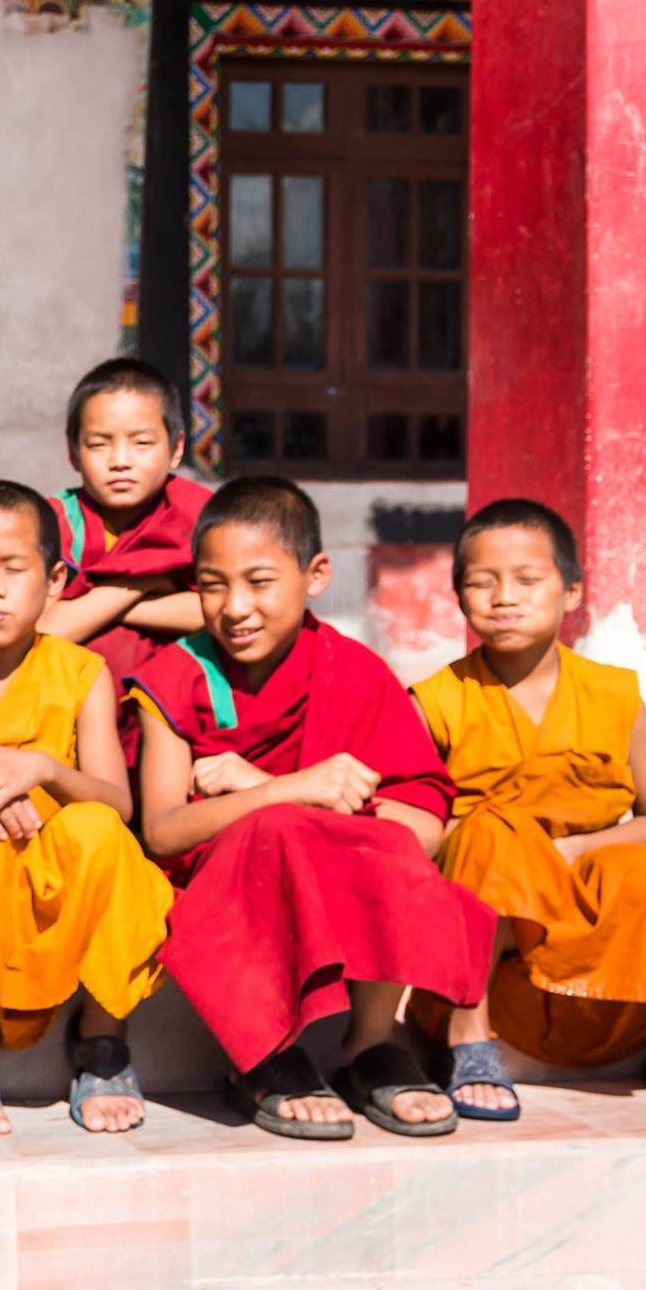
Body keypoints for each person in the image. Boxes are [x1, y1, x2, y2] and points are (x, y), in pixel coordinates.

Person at [129, 477, 496, 1140]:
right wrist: (283, 789)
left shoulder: (355, 671)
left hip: (328, 869)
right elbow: (160, 831)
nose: (235, 607)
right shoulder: (175, 677)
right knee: (274, 826)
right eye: (212, 584)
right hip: (227, 884)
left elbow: (424, 828)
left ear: (316, 574)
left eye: (260, 581)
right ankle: (264, 1053)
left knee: (378, 843)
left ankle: (370, 1043)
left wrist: (267, 785)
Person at [408, 499, 646, 1118]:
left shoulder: (615, 696)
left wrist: (570, 851)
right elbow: (417, 828)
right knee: (488, 832)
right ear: (459, 598)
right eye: (482, 582)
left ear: (571, 592)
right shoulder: (436, 701)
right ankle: (467, 1034)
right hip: (491, 933)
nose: (504, 597)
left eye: (527, 580)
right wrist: (509, 848)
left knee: (645, 870)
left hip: (583, 908)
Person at [0, 482, 175, 1136]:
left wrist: (40, 768)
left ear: (53, 581)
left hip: (51, 878)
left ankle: (103, 1036)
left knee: (100, 830)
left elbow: (118, 802)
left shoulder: (82, 672)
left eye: (13, 570)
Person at [37, 359, 210, 765]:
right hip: (70, 720)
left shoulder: (198, 517)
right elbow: (44, 628)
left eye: (142, 443)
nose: (120, 460)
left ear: (176, 449)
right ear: (73, 454)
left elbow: (220, 611)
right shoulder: (53, 522)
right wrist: (138, 584)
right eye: (98, 444)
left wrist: (105, 605)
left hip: (173, 724)